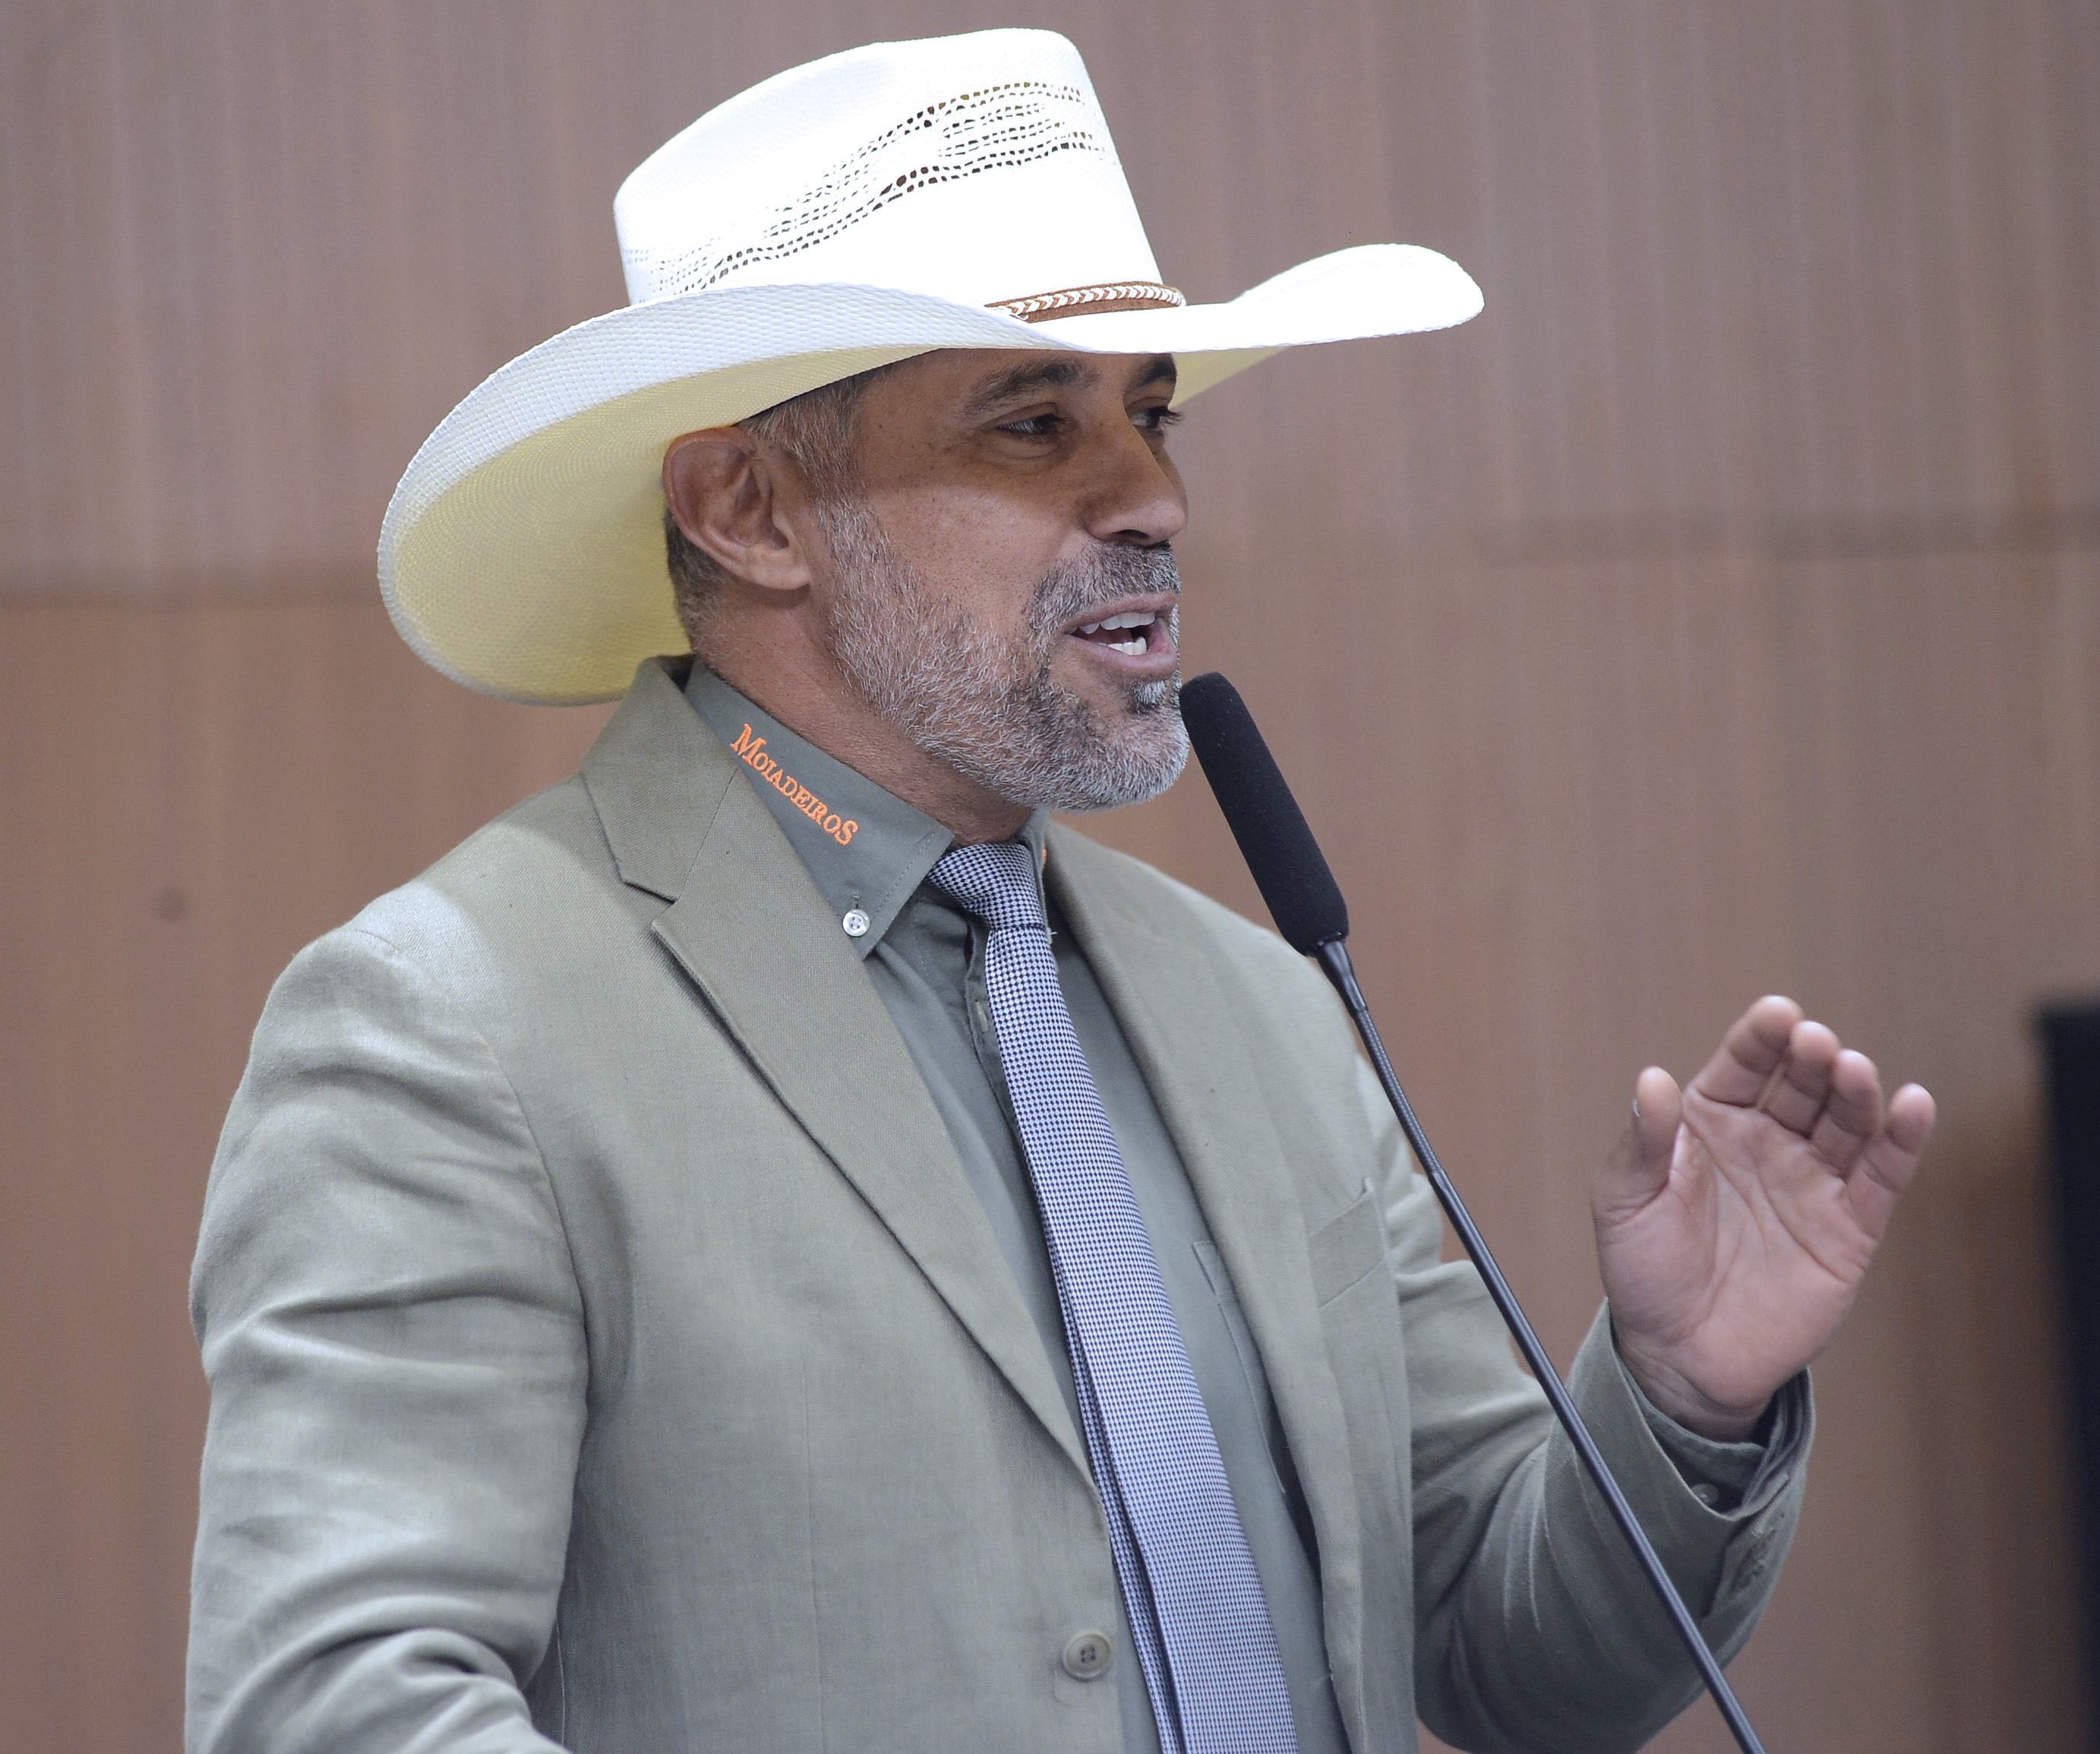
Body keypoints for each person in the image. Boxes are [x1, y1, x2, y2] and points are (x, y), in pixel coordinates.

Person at [185, 29, 1933, 1754]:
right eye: (1033, 423)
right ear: (747, 510)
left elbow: (1510, 1659)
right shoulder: (450, 1029)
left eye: (1147, 413)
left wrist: (1678, 1401)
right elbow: (332, 1711)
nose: (1154, 496)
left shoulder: (1260, 1008)